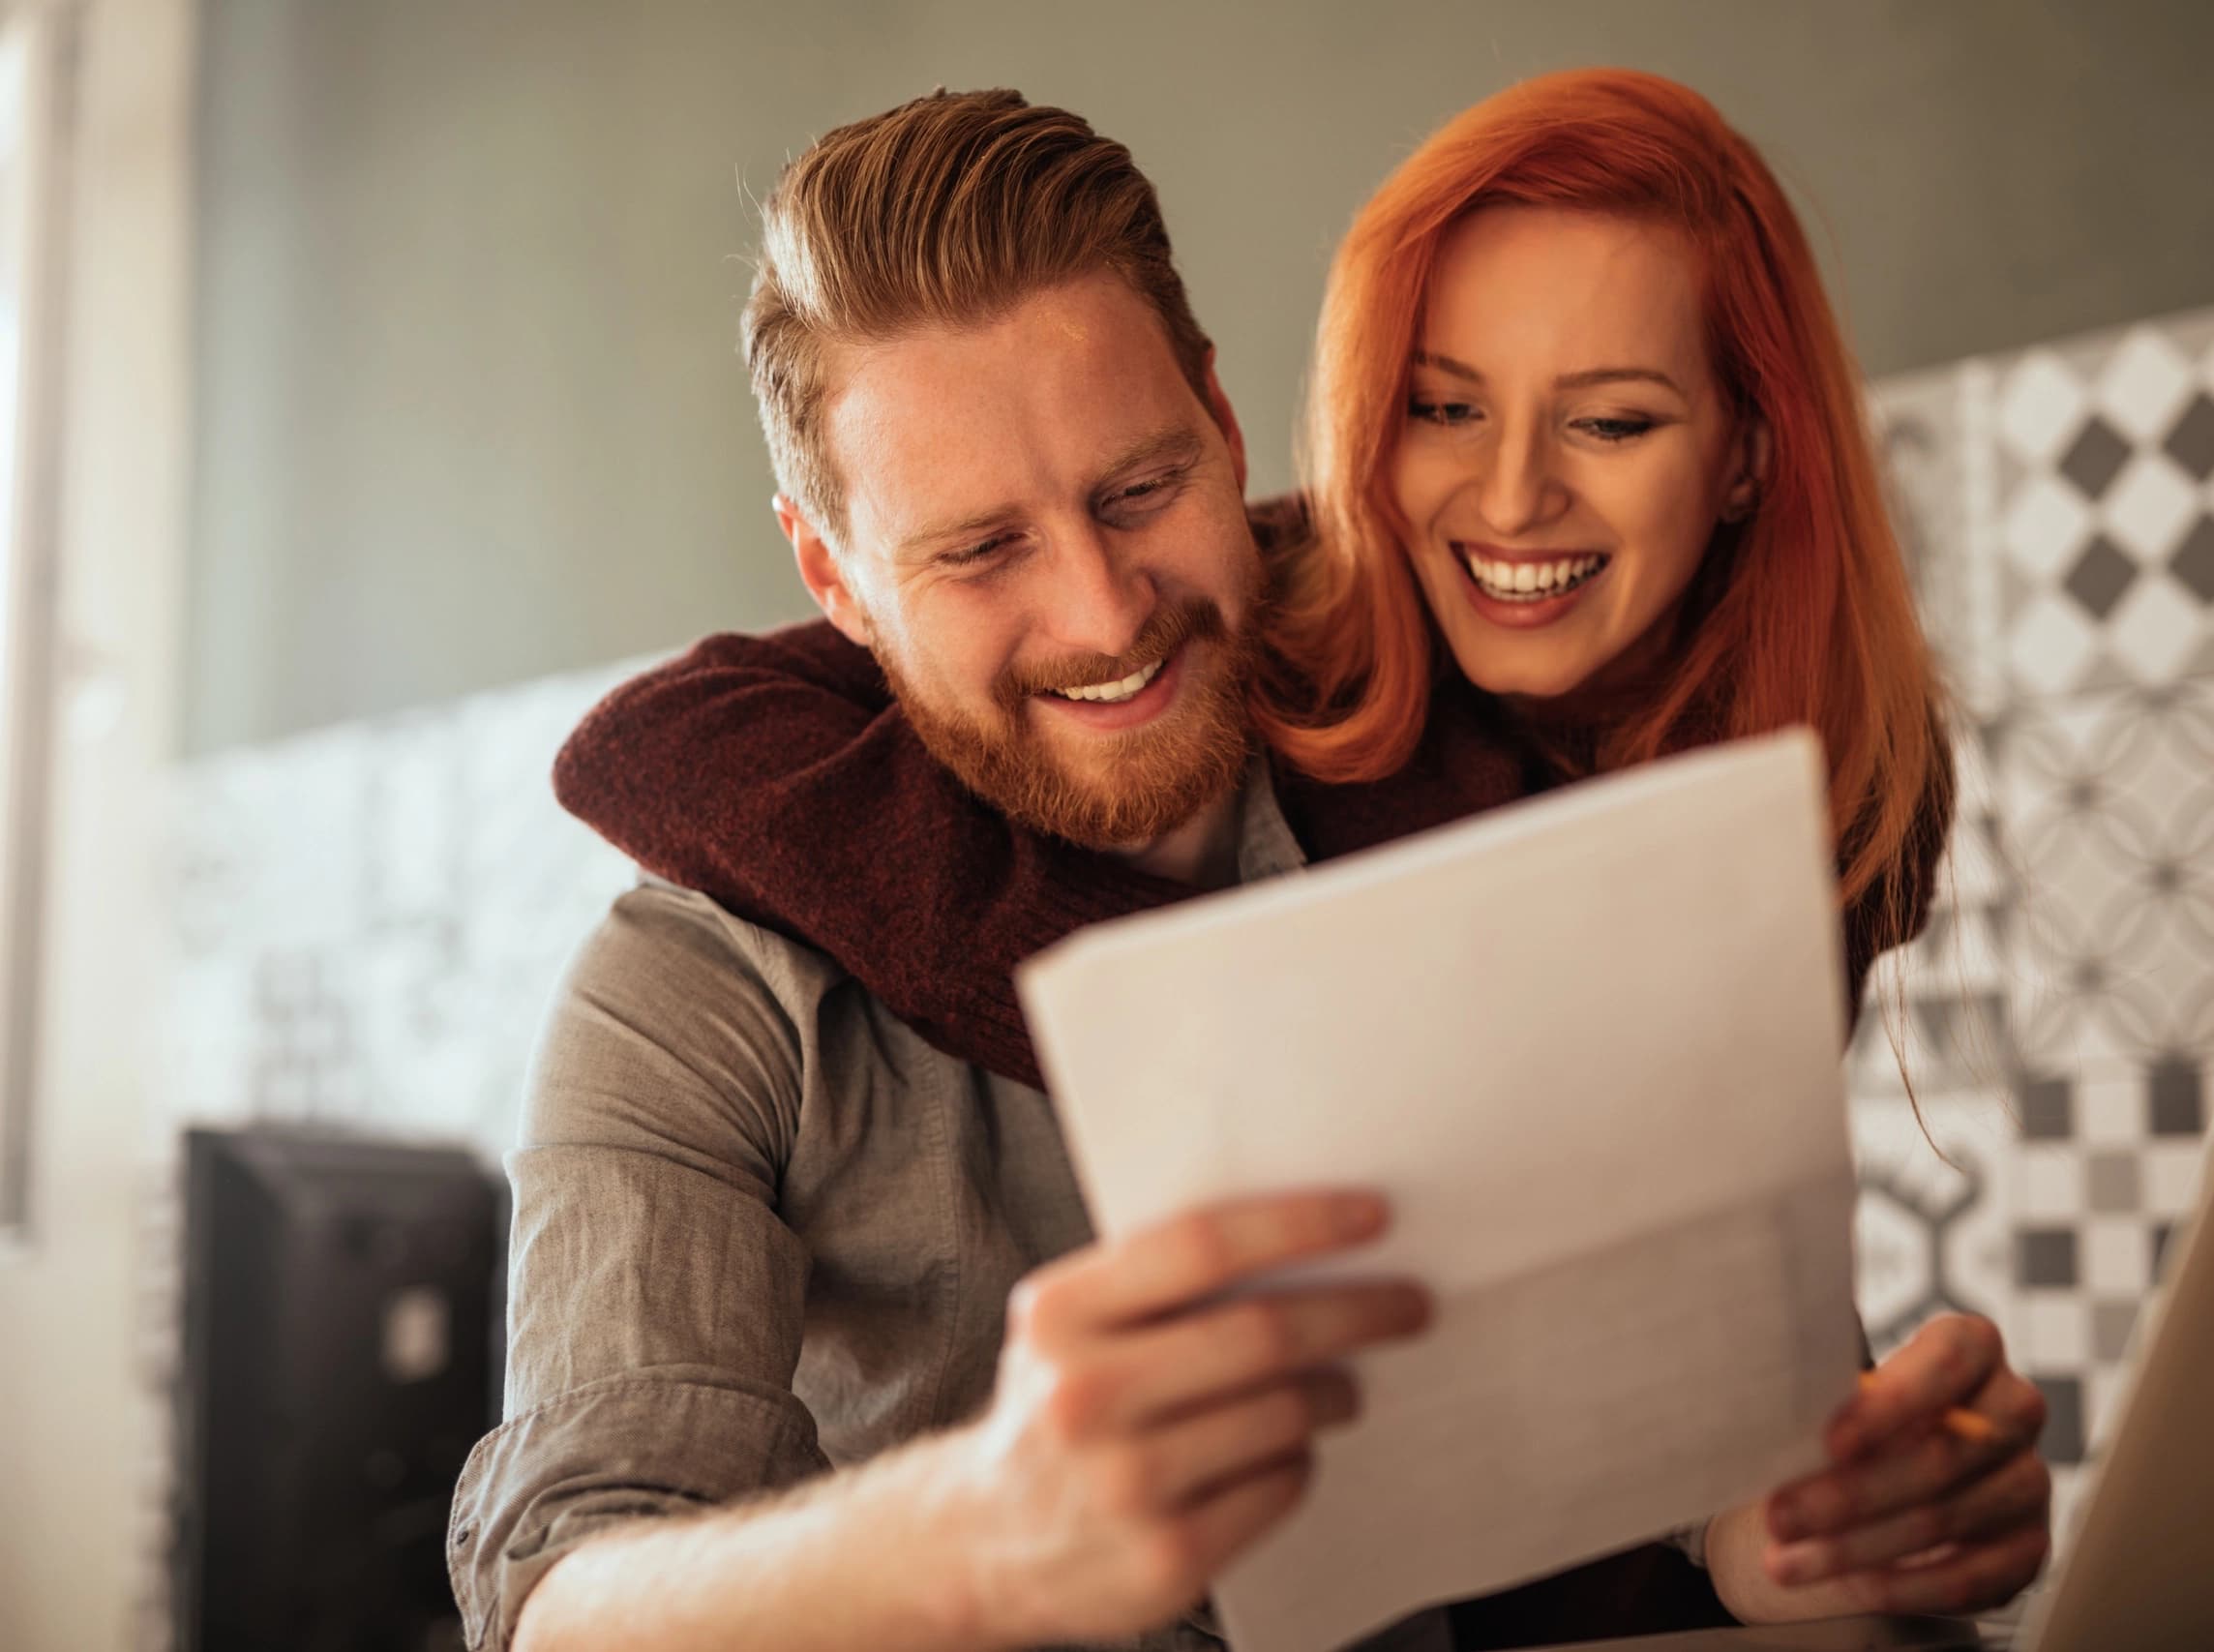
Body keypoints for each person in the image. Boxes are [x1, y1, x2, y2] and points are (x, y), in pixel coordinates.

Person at [460, 79, 2048, 1652]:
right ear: (836, 579)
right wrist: (979, 1536)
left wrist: (1787, 1526)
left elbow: (1669, 1421)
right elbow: (569, 1603)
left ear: (1224, 427)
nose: (1102, 613)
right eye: (980, 550)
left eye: (1141, 489)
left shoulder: (1463, 785)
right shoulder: (687, 995)